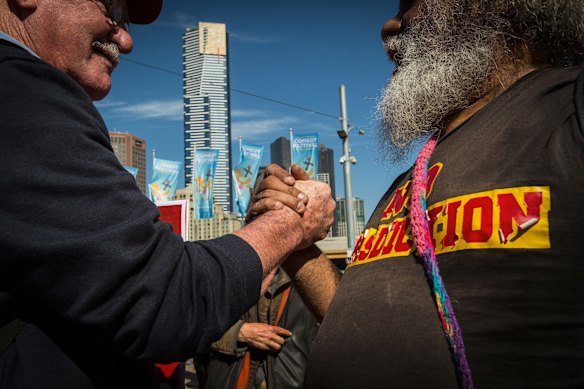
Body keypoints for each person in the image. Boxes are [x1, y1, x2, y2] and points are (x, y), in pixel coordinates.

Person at [0, 1, 338, 388]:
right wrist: (289, 222)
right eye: (111, 7)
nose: (125, 40)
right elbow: (165, 299)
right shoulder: (19, 89)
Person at [260, 0, 584, 388]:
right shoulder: (414, 175)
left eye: (410, 4)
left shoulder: (569, 107)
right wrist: (296, 242)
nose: (388, 26)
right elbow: (358, 322)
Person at [196, 267, 323, 389]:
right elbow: (189, 328)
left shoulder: (315, 279)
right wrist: (239, 332)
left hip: (292, 382)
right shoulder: (218, 274)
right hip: (229, 380)